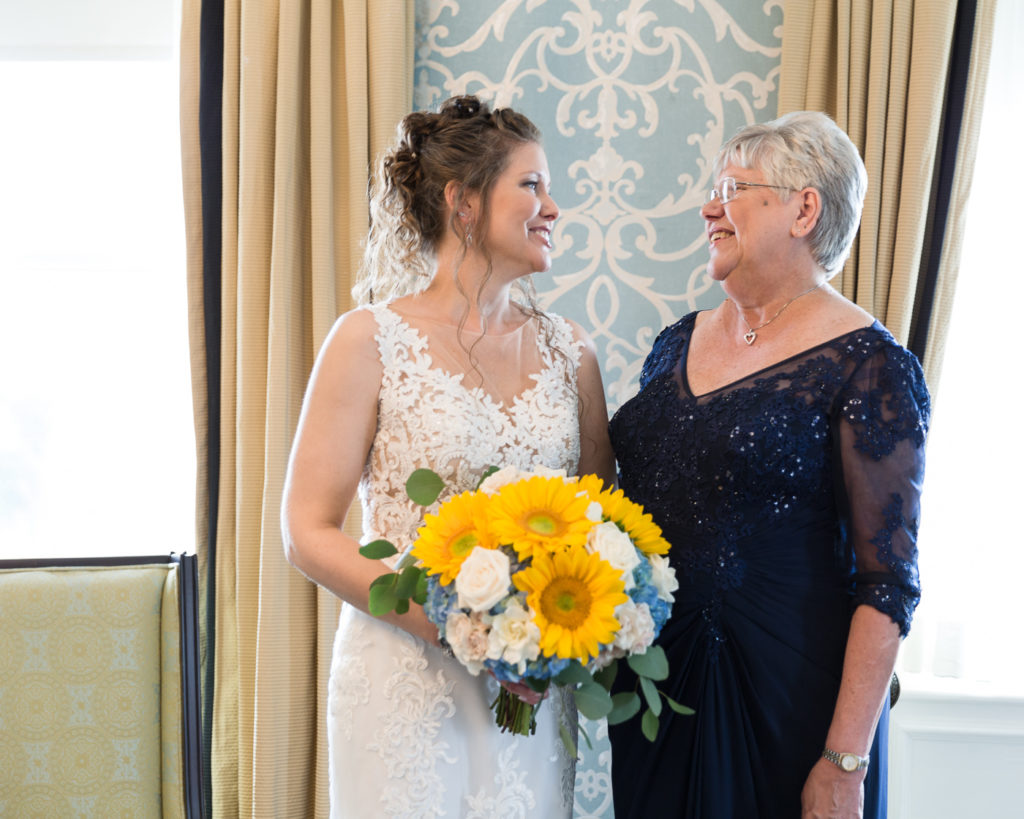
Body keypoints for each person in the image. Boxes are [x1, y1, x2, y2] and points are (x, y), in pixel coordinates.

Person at [281, 95, 615, 818]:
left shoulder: (572, 354)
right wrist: (456, 627)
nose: (552, 206)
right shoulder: (368, 340)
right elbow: (306, 531)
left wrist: (552, 637)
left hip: (525, 691)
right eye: (531, 185)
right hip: (401, 679)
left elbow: (597, 531)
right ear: (463, 202)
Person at [607, 111, 929, 818]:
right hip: (657, 697)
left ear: (803, 208)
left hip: (783, 708)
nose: (708, 207)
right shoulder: (673, 343)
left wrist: (845, 762)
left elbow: (889, 583)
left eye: (732, 186)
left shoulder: (871, 365)